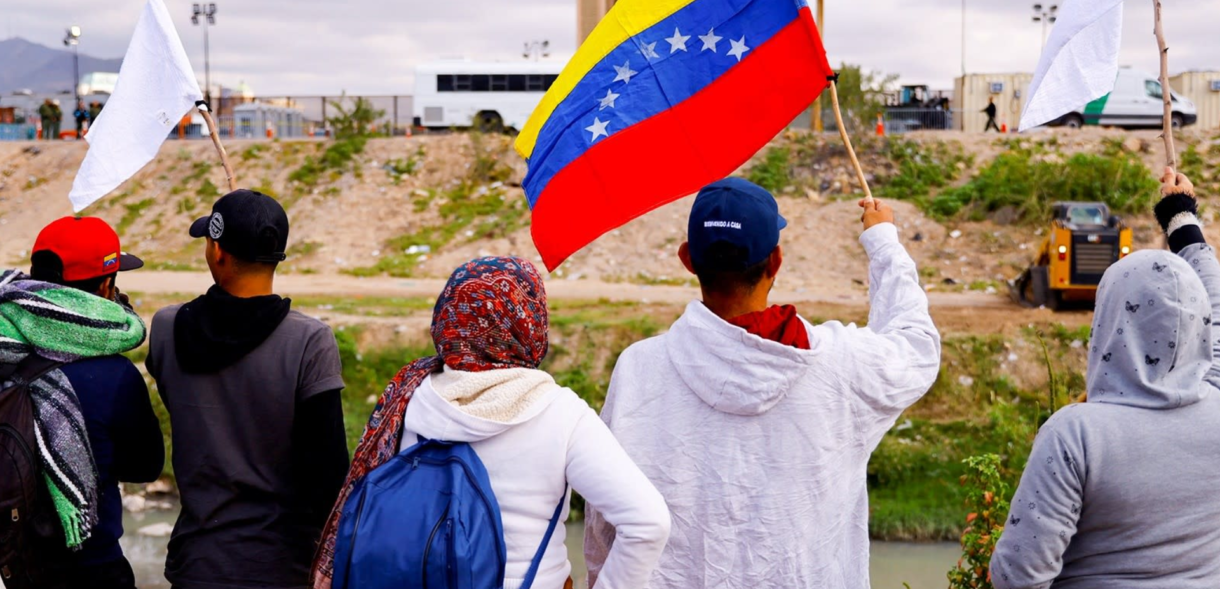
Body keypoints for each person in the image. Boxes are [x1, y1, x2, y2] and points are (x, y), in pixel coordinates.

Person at [585, 178, 941, 588]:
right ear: (776, 261)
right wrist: (882, 241)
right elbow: (916, 346)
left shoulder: (637, 370)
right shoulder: (840, 362)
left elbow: (603, 522)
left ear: (687, 259)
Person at [312, 256, 671, 589]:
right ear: (529, 322)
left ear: (447, 318)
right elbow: (647, 523)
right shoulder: (561, 413)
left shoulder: (408, 397)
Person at [990, 168, 1220, 588]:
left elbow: (1018, 577)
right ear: (1198, 322)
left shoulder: (1075, 435)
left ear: (1109, 320)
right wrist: (1181, 215)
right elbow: (1217, 305)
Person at [146, 190, 349, 589]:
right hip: (284, 567)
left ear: (217, 252)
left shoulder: (167, 328)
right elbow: (329, 475)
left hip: (198, 563)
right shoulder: (310, 341)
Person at [3, 216, 160, 589]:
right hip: (94, 567)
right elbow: (146, 466)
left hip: (17, 567)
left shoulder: (3, 346)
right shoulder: (115, 374)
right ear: (106, 285)